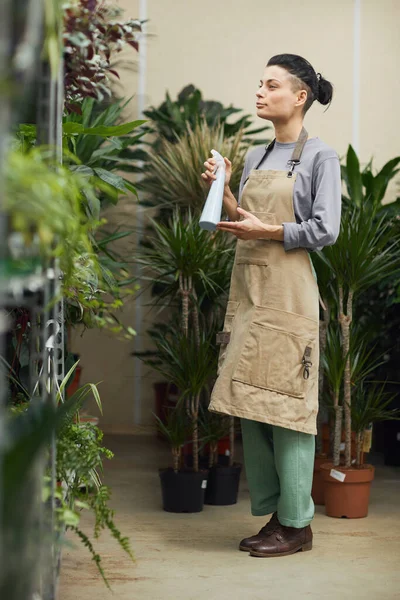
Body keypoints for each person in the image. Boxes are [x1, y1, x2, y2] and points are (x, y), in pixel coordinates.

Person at [201, 54, 341, 558]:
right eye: (258, 84)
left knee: (287, 410)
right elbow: (245, 221)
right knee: (254, 405)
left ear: (300, 96)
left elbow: (326, 229)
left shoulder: (320, 157)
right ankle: (275, 517)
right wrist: (219, 189)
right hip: (249, 293)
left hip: (288, 295)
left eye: (272, 85)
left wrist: (271, 230)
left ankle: (298, 525)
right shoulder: (258, 156)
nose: (260, 92)